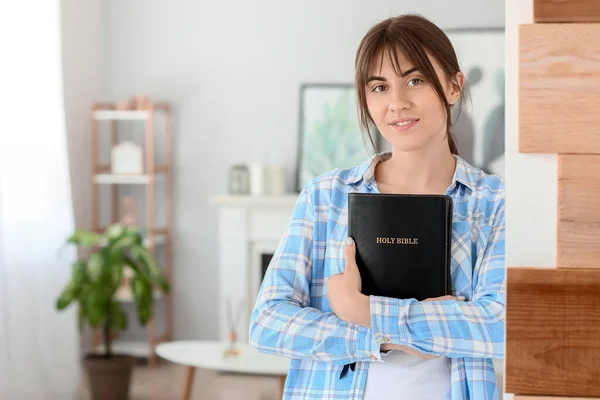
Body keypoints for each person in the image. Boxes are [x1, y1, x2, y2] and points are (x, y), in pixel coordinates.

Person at [249, 14, 505, 400]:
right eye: (380, 87)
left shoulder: (493, 202)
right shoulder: (324, 197)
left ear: (454, 87)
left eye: (415, 81)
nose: (397, 103)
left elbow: (499, 326)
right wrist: (384, 340)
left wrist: (361, 309)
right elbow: (267, 322)